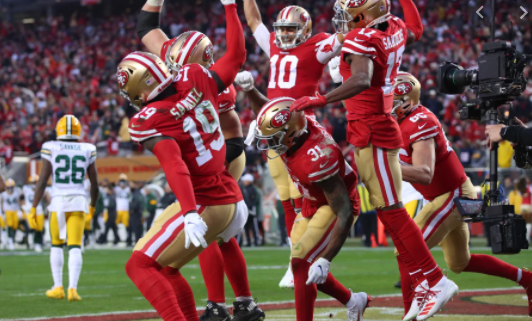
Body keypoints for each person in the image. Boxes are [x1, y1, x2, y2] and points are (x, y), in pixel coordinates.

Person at [290, 0, 456, 319]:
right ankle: (426, 280)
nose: (345, 22)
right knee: (389, 210)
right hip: (375, 124)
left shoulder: (362, 37)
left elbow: (363, 79)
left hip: (372, 127)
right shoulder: (392, 26)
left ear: (365, 14)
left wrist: (322, 99)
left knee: (392, 211)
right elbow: (416, 28)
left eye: (350, 15)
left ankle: (435, 280)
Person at [121, 2, 257, 320]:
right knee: (168, 267)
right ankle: (238, 302)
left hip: (207, 198)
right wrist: (229, 7)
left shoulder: (148, 118)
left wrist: (189, 212)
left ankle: (226, 303)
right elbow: (236, 57)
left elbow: (174, 164)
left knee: (139, 265)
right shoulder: (196, 76)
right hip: (226, 189)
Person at [391, 72, 532, 319]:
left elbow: (424, 172)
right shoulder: (403, 121)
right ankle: (527, 279)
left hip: (452, 195)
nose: (387, 105)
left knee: (406, 248)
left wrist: (386, 168)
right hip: (443, 196)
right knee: (459, 262)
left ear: (406, 100)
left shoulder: (418, 121)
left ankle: (410, 312)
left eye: (391, 99)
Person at [242, 0, 344, 289]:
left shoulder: (318, 45)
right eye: (283, 29)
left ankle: (302, 255)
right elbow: (253, 23)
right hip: (271, 127)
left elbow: (349, 37)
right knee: (284, 195)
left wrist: (342, 58)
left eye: (291, 29)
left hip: (300, 129)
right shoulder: (274, 42)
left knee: (303, 198)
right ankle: (294, 257)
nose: (285, 34)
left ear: (306, 29)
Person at [254, 97, 369, 321]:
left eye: (273, 138)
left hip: (334, 206)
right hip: (313, 202)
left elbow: (344, 211)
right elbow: (275, 112)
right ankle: (353, 301)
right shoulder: (297, 131)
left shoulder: (316, 157)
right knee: (302, 267)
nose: (269, 144)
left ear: (290, 133)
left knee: (301, 261)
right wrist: (249, 90)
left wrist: (326, 259)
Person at [28, 114, 99, 301]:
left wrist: (34, 207)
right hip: (78, 202)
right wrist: (92, 205)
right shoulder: (87, 148)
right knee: (75, 246)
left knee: (57, 245)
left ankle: (58, 287)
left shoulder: (51, 147)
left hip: (58, 203)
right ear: (78, 130)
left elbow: (42, 180)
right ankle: (73, 290)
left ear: (58, 130)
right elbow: (95, 183)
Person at [22, 175, 48, 252]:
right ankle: (30, 242)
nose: (34, 184)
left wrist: (47, 207)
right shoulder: (26, 189)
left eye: (35, 182)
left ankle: (37, 244)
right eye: (32, 182)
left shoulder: (42, 190)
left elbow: (46, 198)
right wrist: (23, 206)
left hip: (39, 210)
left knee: (39, 228)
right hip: (30, 210)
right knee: (31, 227)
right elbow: (20, 198)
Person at [240, 173, 261, 247]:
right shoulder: (243, 188)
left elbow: (254, 200)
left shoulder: (253, 189)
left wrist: (249, 206)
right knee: (246, 226)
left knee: (254, 226)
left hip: (252, 209)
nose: (244, 182)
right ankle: (248, 241)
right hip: (245, 210)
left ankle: (256, 241)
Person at [1, 178, 21, 250]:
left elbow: (20, 200)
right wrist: (2, 212)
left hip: (15, 211)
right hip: (8, 211)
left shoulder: (17, 192)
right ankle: (10, 242)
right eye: (9, 187)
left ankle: (12, 240)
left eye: (11, 187)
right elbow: (2, 203)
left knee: (15, 227)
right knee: (9, 225)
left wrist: (20, 209)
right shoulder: (3, 194)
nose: (10, 189)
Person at [114, 173, 131, 246]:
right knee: (115, 225)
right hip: (118, 209)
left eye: (124, 182)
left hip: (126, 210)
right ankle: (117, 238)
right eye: (121, 182)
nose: (122, 184)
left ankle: (128, 239)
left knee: (127, 225)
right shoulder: (116, 189)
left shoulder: (129, 189)